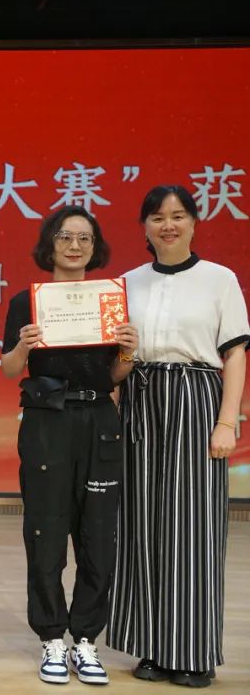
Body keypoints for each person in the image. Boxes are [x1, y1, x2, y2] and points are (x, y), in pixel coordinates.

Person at [107, 185, 247, 688]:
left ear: (194, 222)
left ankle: (193, 651)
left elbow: (235, 354)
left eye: (178, 215)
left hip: (197, 399)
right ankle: (153, 646)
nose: (168, 225)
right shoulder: (127, 282)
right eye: (158, 217)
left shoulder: (220, 279)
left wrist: (227, 421)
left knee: (194, 528)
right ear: (144, 226)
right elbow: (117, 358)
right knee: (142, 526)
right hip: (141, 401)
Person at [0, 206, 138, 685]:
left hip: (99, 420)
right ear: (50, 244)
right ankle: (51, 638)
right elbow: (9, 369)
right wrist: (24, 344)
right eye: (65, 236)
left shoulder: (109, 300)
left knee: (99, 536)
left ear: (95, 246)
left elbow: (114, 374)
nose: (75, 245)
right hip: (47, 422)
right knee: (46, 532)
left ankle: (86, 640)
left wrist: (128, 350)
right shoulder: (26, 302)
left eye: (85, 237)